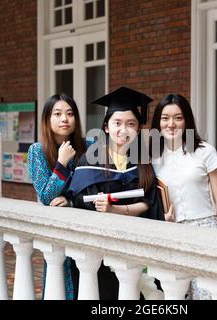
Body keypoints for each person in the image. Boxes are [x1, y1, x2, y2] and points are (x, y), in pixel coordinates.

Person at [68, 86, 165, 300]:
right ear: (106, 127)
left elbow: (149, 201)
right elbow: (81, 202)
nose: (124, 129)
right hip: (100, 249)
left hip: (133, 245)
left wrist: (116, 209)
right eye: (117, 123)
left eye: (131, 124)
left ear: (139, 129)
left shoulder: (142, 161)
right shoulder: (90, 161)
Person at [151, 93, 217, 300]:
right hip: (171, 231)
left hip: (205, 227)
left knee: (206, 294)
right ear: (158, 122)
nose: (171, 124)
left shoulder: (205, 151)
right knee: (176, 295)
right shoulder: (151, 156)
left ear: (187, 121)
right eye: (165, 118)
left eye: (178, 118)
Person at [27, 93, 89, 300]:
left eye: (70, 114)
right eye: (58, 114)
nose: (65, 119)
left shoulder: (87, 147)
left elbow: (93, 189)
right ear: (47, 119)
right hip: (57, 233)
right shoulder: (38, 151)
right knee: (61, 285)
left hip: (87, 229)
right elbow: (46, 197)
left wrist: (71, 201)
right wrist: (61, 164)